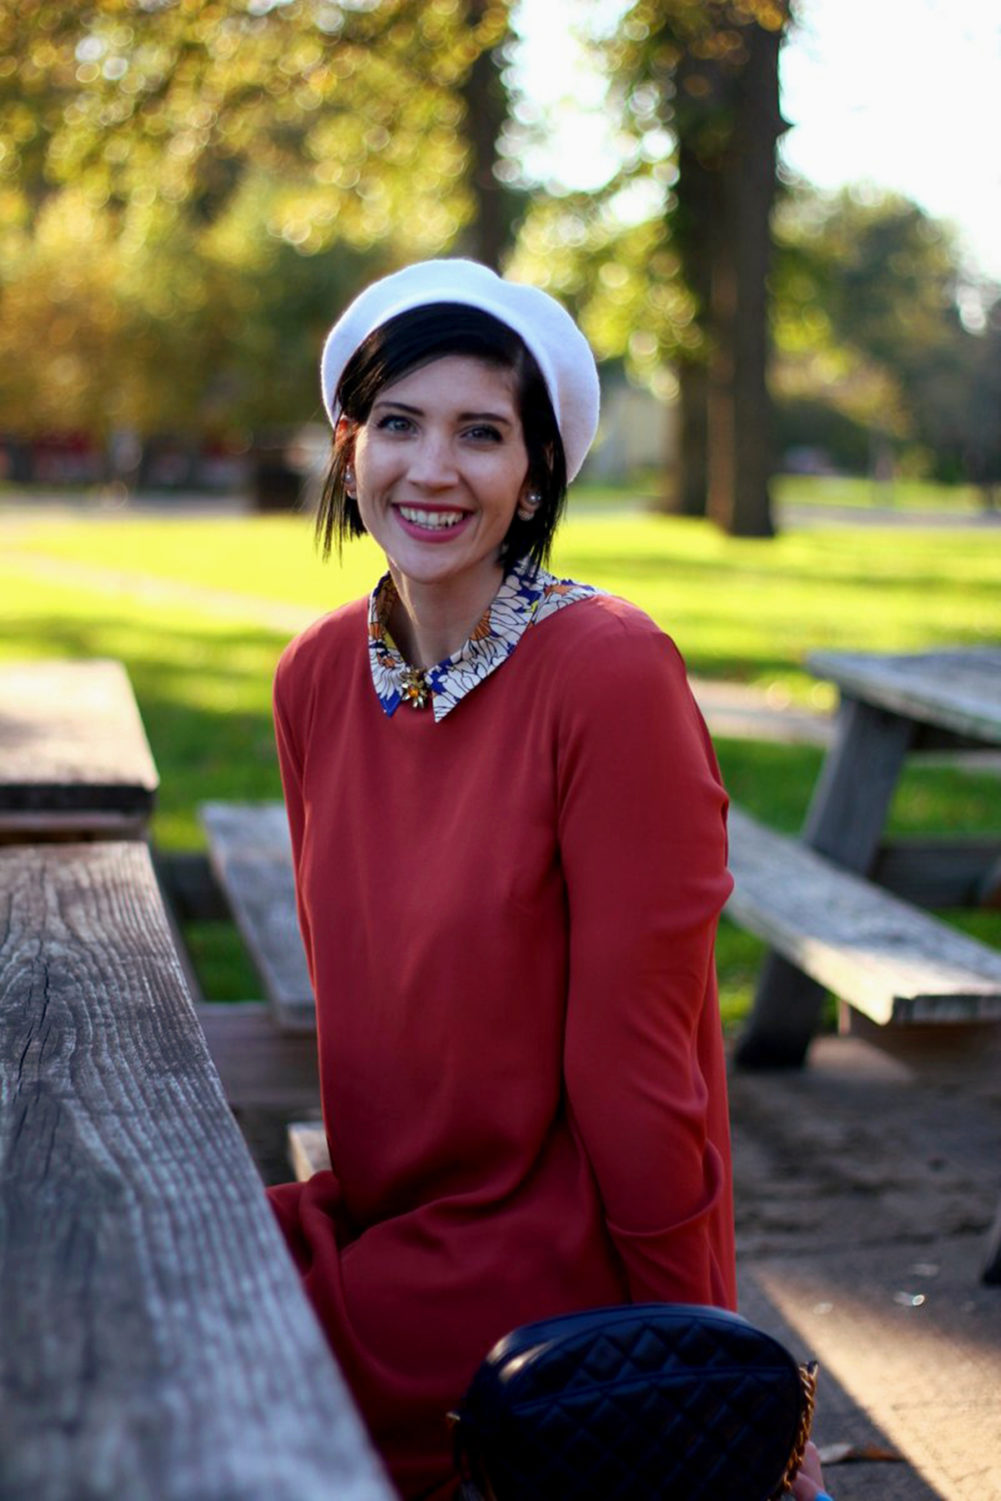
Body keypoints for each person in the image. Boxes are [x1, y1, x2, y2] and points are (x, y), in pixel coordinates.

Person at [267, 259, 828, 1501]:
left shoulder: (606, 672)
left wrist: (703, 1357)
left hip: (547, 1266)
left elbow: (642, 1063)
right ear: (347, 450)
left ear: (534, 479)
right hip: (380, 1218)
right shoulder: (315, 677)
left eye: (482, 433)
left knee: (195, 1363)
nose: (432, 469)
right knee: (123, 1261)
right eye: (399, 424)